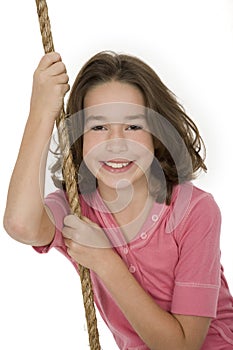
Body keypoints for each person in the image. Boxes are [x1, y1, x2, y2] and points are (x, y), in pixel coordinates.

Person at [3, 51, 233, 350]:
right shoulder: (76, 207)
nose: (116, 142)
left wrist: (104, 260)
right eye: (98, 127)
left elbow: (182, 346)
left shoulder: (194, 210)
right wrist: (42, 112)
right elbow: (20, 224)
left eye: (133, 126)